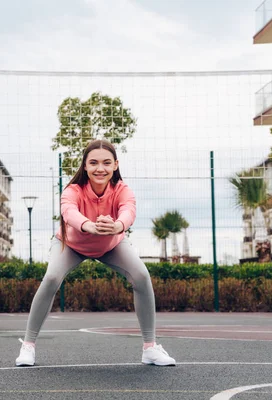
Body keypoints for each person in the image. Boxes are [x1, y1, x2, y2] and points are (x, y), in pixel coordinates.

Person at [15, 139, 176, 367]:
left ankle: (150, 348)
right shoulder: (73, 190)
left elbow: (128, 211)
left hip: (111, 245)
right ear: (85, 166)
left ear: (115, 165)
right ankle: (28, 346)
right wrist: (89, 226)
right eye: (93, 163)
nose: (100, 168)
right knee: (51, 278)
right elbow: (68, 211)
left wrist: (118, 226)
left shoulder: (122, 190)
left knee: (141, 276)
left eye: (106, 163)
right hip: (71, 245)